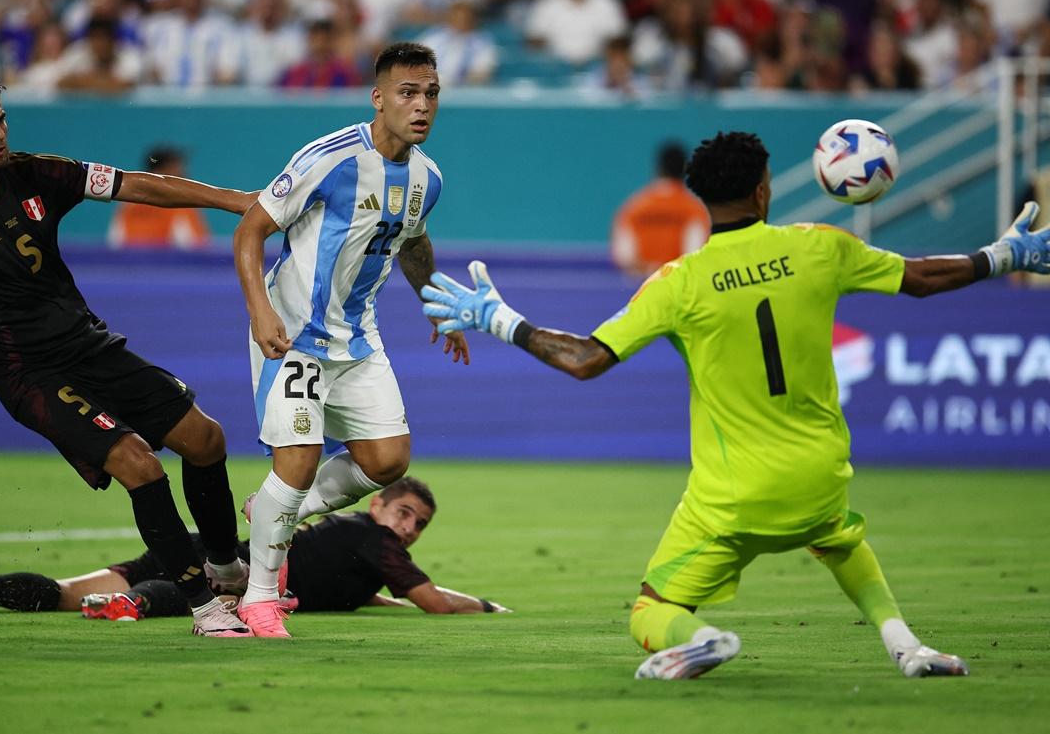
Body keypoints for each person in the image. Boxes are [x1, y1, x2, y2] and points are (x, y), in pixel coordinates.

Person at [420, 131, 1050, 680]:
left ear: (703, 199)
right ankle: (907, 645)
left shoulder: (678, 282)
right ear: (762, 193)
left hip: (734, 497)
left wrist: (501, 321)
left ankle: (700, 641)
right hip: (821, 476)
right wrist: (1004, 256)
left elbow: (586, 359)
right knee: (837, 536)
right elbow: (922, 278)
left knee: (650, 611)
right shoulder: (820, 247)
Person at [0, 73, 260, 638]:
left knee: (206, 439)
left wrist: (236, 201)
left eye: (1, 119)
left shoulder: (36, 172)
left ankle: (227, 567)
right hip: (27, 372)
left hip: (88, 344)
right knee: (139, 462)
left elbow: (138, 185)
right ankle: (205, 609)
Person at [231, 42, 469, 637]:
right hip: (294, 338)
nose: (422, 106)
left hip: (358, 341)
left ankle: (278, 511)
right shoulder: (330, 158)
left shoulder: (428, 178)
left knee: (388, 460)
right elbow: (251, 229)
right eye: (408, 93)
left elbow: (411, 240)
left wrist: (435, 302)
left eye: (431, 94)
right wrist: (260, 311)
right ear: (379, 98)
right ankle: (260, 597)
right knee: (299, 460)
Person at [0, 477, 511, 619]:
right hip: (224, 571)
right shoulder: (377, 544)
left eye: (417, 524)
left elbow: (366, 594)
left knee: (65, 594)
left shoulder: (353, 545)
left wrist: (385, 603)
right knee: (202, 596)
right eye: (404, 513)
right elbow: (430, 601)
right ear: (377, 505)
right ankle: (130, 606)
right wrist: (484, 606)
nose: (408, 529)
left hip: (207, 547)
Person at [609, 141, 709, 277]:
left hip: (641, 290)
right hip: (680, 287)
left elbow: (625, 256)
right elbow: (695, 254)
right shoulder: (695, 209)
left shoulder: (633, 207)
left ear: (658, 168)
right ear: (685, 169)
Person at [108, 146, 212, 249]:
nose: (183, 173)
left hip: (130, 264)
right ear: (159, 173)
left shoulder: (128, 204)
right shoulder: (182, 203)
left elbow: (115, 243)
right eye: (176, 169)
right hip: (167, 264)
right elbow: (198, 249)